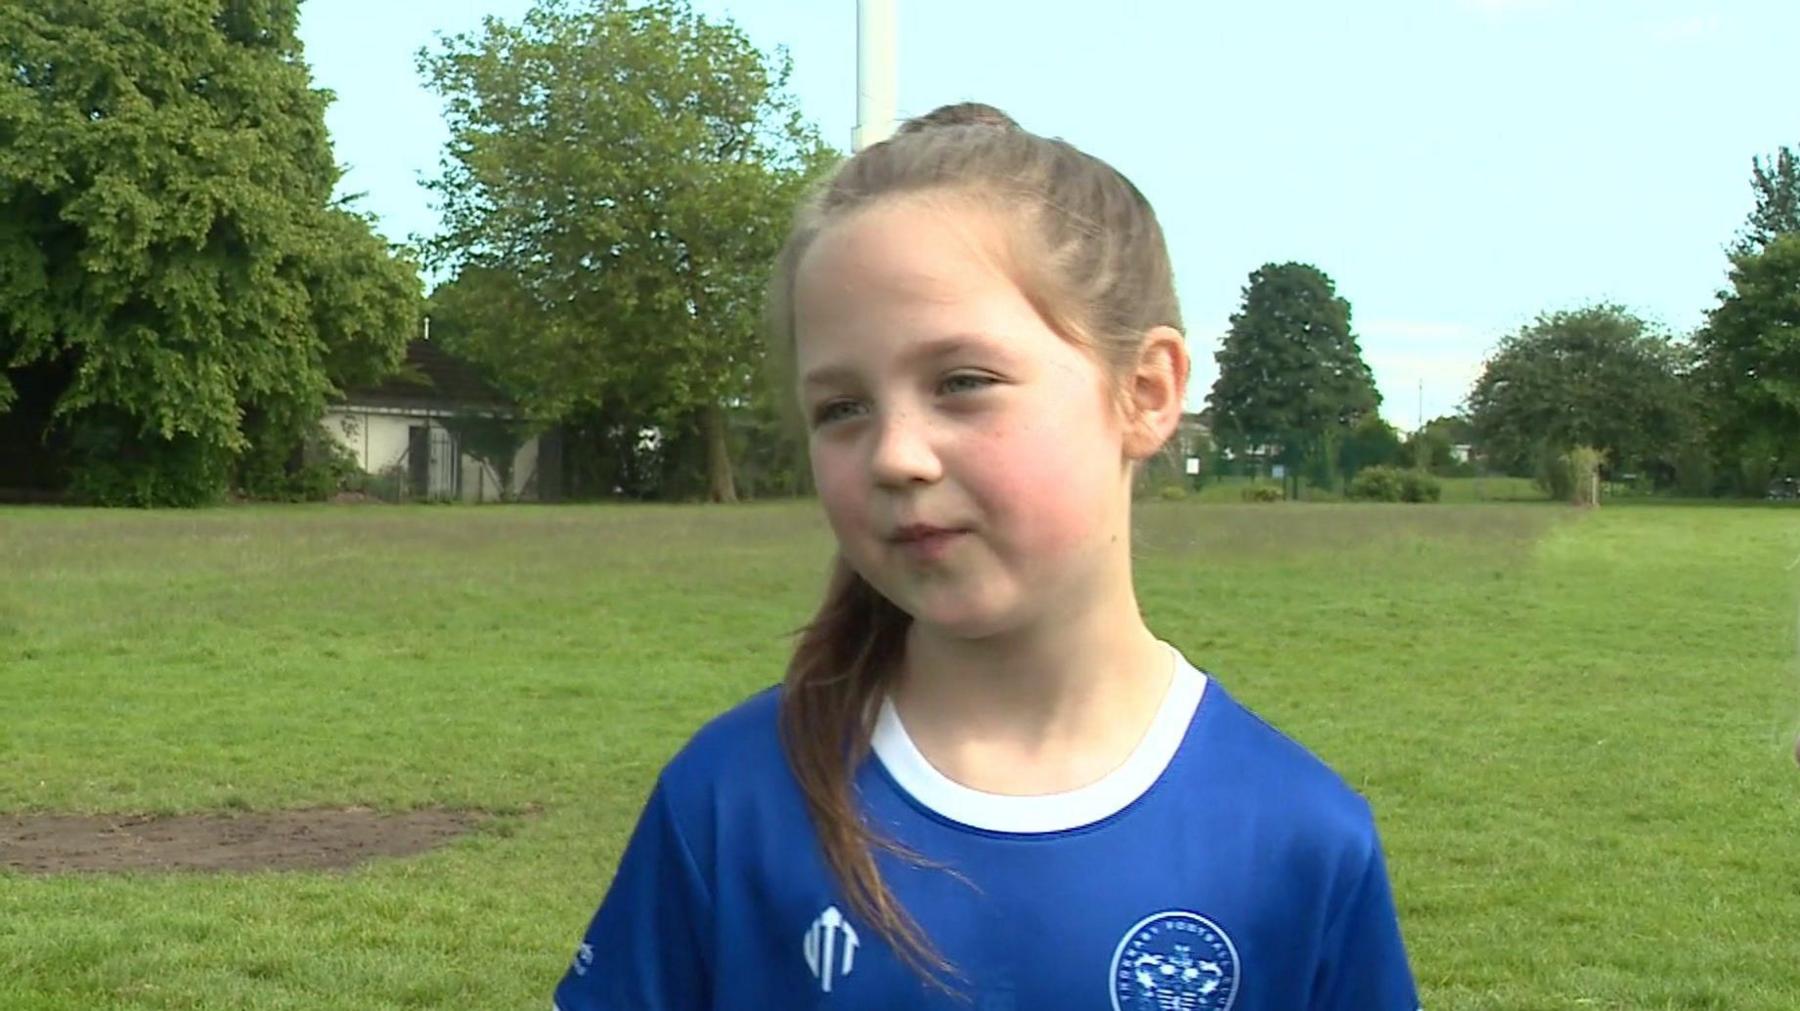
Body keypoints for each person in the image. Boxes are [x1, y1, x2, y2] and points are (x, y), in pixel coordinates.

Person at [553, 102, 1419, 1011]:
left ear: (1146, 391)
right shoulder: (729, 803)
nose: (895, 454)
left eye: (962, 383)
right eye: (841, 407)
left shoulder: (1297, 836)